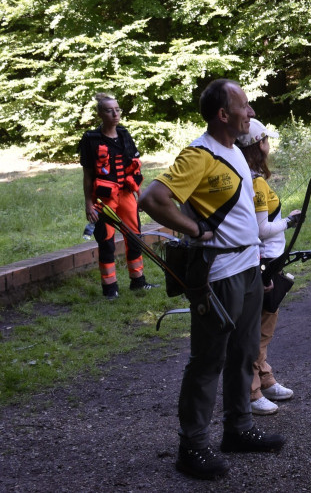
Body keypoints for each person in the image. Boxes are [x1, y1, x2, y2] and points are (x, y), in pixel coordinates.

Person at [139, 79, 285, 480]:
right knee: (208, 361)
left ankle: (238, 429)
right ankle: (193, 447)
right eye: (245, 106)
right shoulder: (199, 155)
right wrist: (196, 229)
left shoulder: (235, 151)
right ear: (223, 114)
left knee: (244, 354)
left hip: (247, 268)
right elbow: (152, 199)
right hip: (219, 274)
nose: (251, 112)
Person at [237, 119, 303, 416]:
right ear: (257, 145)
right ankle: (251, 391)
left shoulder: (250, 178)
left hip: (268, 261)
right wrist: (289, 221)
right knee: (258, 328)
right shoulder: (256, 182)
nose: (269, 146)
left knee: (265, 324)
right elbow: (261, 229)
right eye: (266, 141)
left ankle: (264, 378)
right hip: (262, 262)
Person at [78, 92, 157, 299]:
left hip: (127, 194)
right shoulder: (90, 139)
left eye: (117, 109)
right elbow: (87, 175)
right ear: (100, 114)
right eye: (109, 110)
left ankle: (138, 282)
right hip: (104, 200)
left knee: (135, 237)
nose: (115, 114)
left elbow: (134, 170)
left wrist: (141, 196)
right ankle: (110, 288)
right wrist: (88, 204)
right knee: (106, 241)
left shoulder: (124, 135)